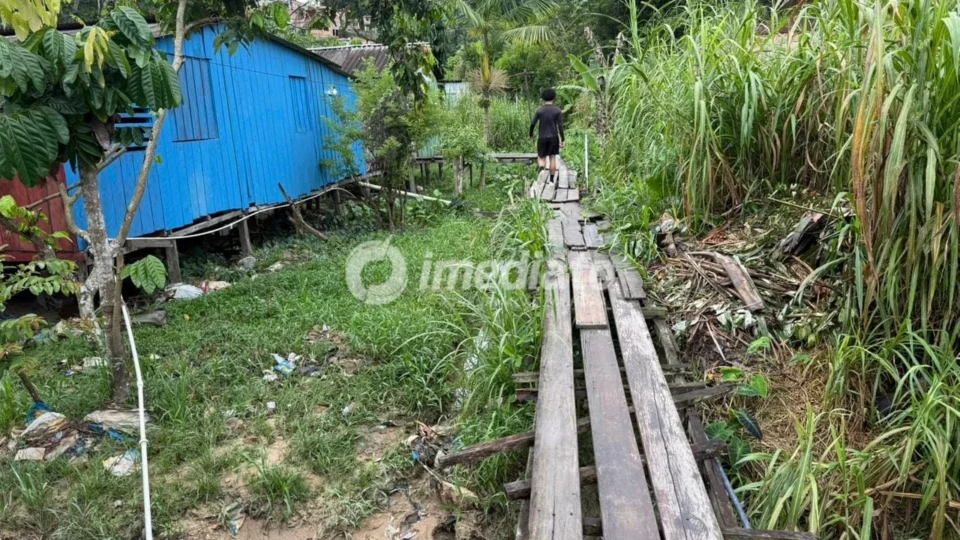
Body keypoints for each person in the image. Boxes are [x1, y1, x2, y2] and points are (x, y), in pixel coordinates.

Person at [529, 88, 564, 182]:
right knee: (552, 157)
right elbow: (560, 126)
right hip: (554, 137)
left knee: (541, 157)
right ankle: (552, 180)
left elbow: (532, 124)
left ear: (543, 98)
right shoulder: (557, 110)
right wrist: (562, 139)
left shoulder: (540, 110)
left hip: (542, 137)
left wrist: (531, 135)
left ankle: (541, 169)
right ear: (554, 97)